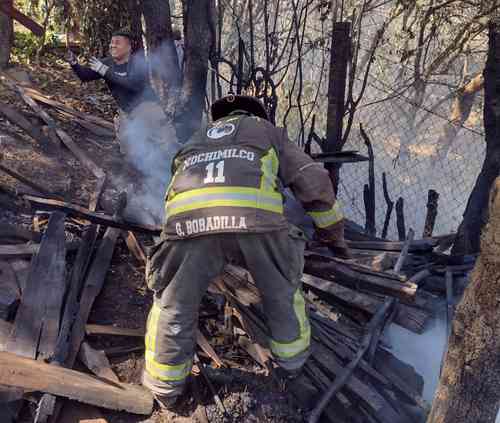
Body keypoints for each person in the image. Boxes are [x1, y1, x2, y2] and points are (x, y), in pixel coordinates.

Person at [143, 95, 351, 408]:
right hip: (256, 225)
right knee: (281, 292)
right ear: (256, 115)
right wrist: (332, 235)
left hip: (188, 226)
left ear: (219, 118)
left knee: (173, 302)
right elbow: (313, 181)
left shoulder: (196, 139)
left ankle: (165, 386)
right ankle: (292, 366)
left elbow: (174, 189)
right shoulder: (268, 131)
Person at [67, 30, 172, 157]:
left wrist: (106, 71)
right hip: (126, 111)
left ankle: (174, 168)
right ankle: (141, 172)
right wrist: (74, 64)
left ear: (128, 47)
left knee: (166, 144)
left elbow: (132, 85)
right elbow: (85, 76)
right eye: (111, 43)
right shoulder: (107, 63)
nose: (112, 45)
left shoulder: (137, 63)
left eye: (117, 43)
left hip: (147, 107)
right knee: (129, 150)